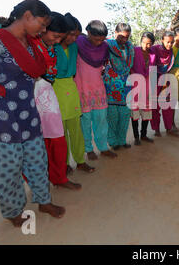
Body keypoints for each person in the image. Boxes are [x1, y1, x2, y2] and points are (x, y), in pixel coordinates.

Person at [0, 0, 65, 227]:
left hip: (27, 112)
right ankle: (12, 211)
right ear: (27, 16)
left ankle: (43, 200)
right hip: (0, 114)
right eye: (42, 24)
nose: (43, 30)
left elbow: (36, 72)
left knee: (37, 160)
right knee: (6, 166)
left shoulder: (31, 44)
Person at [32, 12, 81, 190]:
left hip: (48, 94)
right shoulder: (32, 44)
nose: (58, 41)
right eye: (56, 36)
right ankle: (42, 183)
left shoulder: (50, 45)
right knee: (40, 143)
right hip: (33, 97)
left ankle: (59, 177)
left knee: (57, 140)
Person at [53, 13, 95, 174]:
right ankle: (63, 164)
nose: (73, 38)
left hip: (71, 86)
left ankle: (80, 160)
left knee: (76, 130)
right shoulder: (52, 46)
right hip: (55, 88)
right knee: (60, 132)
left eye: (76, 36)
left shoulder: (74, 47)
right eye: (71, 34)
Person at [74, 20, 117, 160]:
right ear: (88, 33)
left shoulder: (105, 47)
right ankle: (88, 149)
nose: (99, 42)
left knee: (101, 120)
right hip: (81, 88)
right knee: (85, 121)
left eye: (102, 39)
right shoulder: (77, 43)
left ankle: (103, 147)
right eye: (96, 38)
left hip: (98, 88)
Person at [103, 23, 135, 150]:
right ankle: (113, 142)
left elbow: (130, 65)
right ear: (115, 33)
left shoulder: (130, 48)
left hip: (126, 86)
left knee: (125, 115)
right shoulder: (107, 45)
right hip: (111, 86)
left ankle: (122, 140)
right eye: (121, 37)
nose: (124, 40)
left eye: (127, 37)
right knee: (112, 116)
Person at [150, 31, 179, 137]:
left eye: (171, 42)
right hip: (154, 80)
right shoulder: (154, 49)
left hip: (166, 80)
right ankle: (156, 129)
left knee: (167, 105)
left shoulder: (171, 52)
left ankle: (168, 128)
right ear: (162, 40)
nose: (169, 45)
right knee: (155, 107)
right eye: (167, 42)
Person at [130, 32, 156, 145]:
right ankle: (136, 137)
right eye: (144, 43)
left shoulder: (153, 55)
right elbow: (129, 65)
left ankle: (144, 135)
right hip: (135, 85)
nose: (146, 46)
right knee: (135, 113)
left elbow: (153, 71)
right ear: (141, 41)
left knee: (146, 112)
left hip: (148, 86)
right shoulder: (134, 51)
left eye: (149, 44)